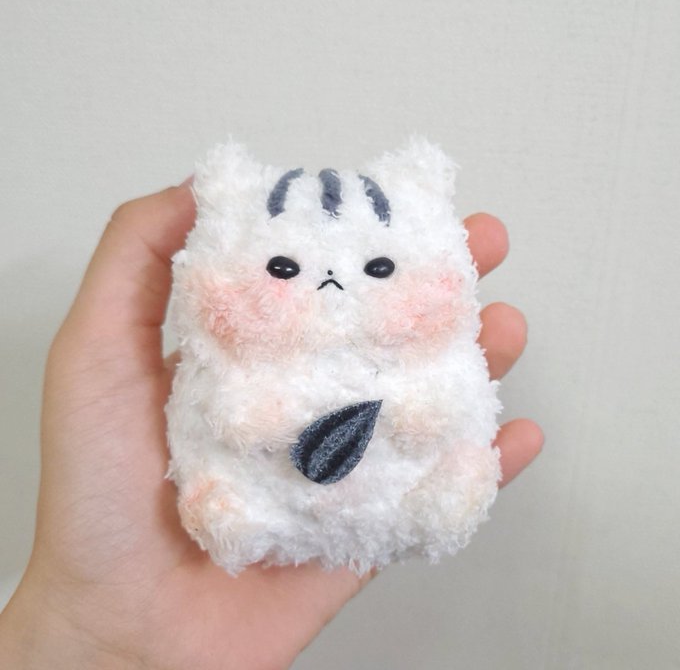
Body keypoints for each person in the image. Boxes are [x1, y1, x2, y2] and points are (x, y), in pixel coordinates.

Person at [0, 180, 543, 669]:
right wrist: (89, 632)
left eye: (379, 268)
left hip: (400, 488)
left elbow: (441, 408)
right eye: (283, 268)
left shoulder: (430, 361)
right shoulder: (236, 365)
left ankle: (440, 499)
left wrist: (421, 414)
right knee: (228, 482)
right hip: (214, 551)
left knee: (448, 451)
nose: (331, 281)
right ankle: (235, 515)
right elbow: (235, 416)